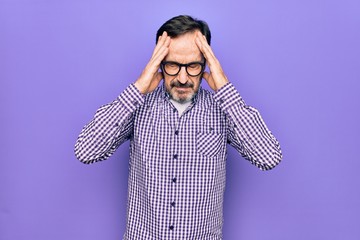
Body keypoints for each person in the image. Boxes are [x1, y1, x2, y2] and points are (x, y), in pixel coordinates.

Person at [74, 15, 282, 240]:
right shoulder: (137, 106)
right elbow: (86, 151)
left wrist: (225, 89)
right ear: (159, 63)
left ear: (206, 64)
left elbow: (268, 157)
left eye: (193, 65)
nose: (182, 78)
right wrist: (137, 88)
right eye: (172, 65)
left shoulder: (224, 110)